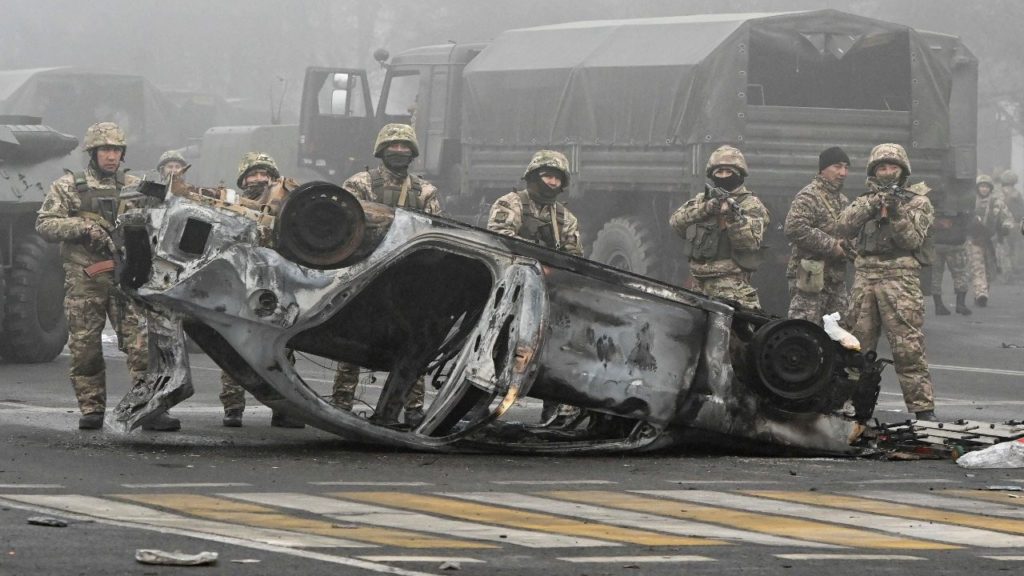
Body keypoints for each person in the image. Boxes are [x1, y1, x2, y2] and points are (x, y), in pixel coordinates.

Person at [35, 122, 179, 431]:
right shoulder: (69, 186)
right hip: (85, 279)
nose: (111, 156)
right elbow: (45, 224)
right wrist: (83, 227)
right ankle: (91, 408)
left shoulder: (135, 185)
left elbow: (165, 218)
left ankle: (150, 408)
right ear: (93, 153)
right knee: (86, 349)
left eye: (116, 150)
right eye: (105, 150)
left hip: (126, 278)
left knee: (142, 347)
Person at [330, 124, 440, 427]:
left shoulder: (426, 192)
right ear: (381, 150)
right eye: (393, 146)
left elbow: (436, 234)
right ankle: (341, 403)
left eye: (406, 147)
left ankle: (413, 407)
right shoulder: (360, 184)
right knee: (353, 341)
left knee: (414, 344)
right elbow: (344, 225)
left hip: (409, 279)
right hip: (365, 273)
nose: (400, 152)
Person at [836, 143, 937, 421]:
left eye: (893, 167)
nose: (888, 172)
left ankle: (922, 410)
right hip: (865, 278)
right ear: (873, 171)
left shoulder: (918, 202)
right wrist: (871, 205)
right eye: (882, 167)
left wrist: (896, 212)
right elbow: (842, 226)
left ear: (903, 170)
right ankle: (852, 408)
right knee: (856, 347)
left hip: (900, 280)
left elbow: (912, 240)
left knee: (908, 348)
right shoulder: (864, 200)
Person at [487, 149, 583, 426]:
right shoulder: (510, 204)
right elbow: (500, 240)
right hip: (509, 292)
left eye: (557, 179)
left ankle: (552, 410)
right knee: (499, 349)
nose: (552, 183)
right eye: (547, 176)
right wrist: (538, 255)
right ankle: (476, 405)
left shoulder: (565, 218)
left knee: (549, 352)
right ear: (533, 175)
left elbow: (573, 256)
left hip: (546, 294)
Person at [220, 152, 305, 428]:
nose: (259, 179)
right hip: (239, 285)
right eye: (253, 174)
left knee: (281, 350)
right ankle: (233, 408)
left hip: (275, 287)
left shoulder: (286, 206)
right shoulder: (228, 205)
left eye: (264, 174)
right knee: (233, 346)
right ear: (243, 179)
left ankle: (284, 409)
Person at [669, 145, 770, 310]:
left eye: (728, 172)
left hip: (730, 287)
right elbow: (676, 223)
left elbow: (749, 243)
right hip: (698, 286)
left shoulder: (751, 205)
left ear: (739, 174)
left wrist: (731, 218)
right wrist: (705, 209)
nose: (723, 176)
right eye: (719, 172)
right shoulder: (702, 200)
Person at [783, 146, 852, 325]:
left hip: (835, 281)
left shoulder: (843, 201)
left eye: (846, 167)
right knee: (805, 333)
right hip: (810, 280)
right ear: (823, 169)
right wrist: (832, 246)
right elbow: (794, 228)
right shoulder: (809, 196)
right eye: (837, 166)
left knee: (839, 336)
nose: (843, 172)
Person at [966, 174, 1014, 307]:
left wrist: (1005, 227)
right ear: (977, 188)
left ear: (990, 188)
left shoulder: (997, 203)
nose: (984, 189)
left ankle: (983, 291)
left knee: (989, 270)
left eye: (986, 187)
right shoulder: (971, 202)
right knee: (977, 267)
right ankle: (981, 293)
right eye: (982, 186)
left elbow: (1007, 217)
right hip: (974, 240)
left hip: (991, 241)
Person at [928, 187, 972, 316]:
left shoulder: (930, 200)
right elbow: (968, 220)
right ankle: (960, 304)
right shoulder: (961, 199)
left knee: (935, 275)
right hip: (955, 244)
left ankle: (939, 306)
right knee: (960, 273)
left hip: (936, 244)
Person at [997, 170, 1023, 280]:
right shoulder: (1017, 194)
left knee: (1004, 248)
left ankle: (1007, 272)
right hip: (1016, 224)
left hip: (1005, 224)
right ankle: (1015, 268)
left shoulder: (1000, 193)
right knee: (1016, 247)